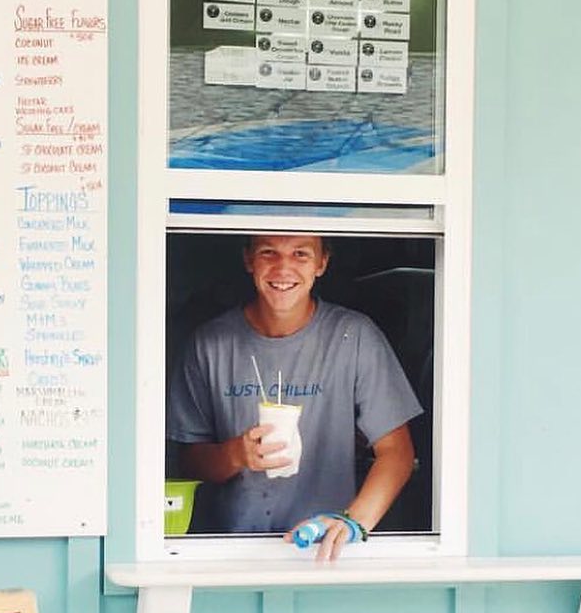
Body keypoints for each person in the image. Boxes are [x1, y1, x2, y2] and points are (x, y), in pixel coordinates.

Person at [167, 234, 422, 559]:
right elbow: (188, 463)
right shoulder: (210, 345)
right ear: (248, 260)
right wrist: (235, 455)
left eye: (300, 254)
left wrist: (353, 523)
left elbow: (397, 453)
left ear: (322, 263)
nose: (283, 267)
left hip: (322, 552)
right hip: (231, 553)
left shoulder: (353, 336)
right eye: (268, 253)